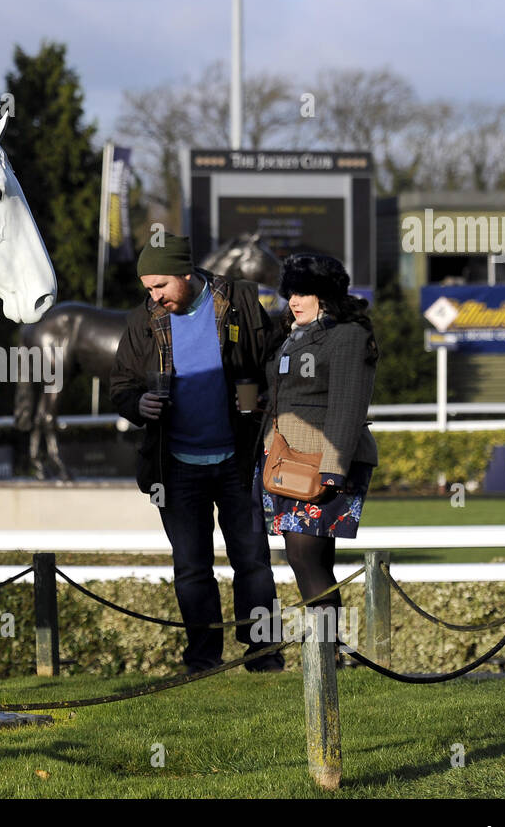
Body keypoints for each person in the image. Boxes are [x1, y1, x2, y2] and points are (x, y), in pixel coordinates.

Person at [110, 234, 284, 674]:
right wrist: (138, 405)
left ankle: (264, 654)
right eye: (148, 288)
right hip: (176, 468)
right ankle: (203, 659)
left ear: (187, 275)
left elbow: (266, 360)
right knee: (191, 569)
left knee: (253, 563)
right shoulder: (142, 321)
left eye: (161, 286)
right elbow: (122, 386)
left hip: (237, 461)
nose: (154, 296)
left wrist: (262, 396)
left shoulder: (240, 300)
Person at [255, 252, 378, 645]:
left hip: (326, 462)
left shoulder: (348, 336)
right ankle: (331, 652)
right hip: (285, 460)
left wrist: (334, 468)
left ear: (325, 295)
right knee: (312, 560)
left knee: (305, 558)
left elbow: (348, 405)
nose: (293, 300)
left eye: (303, 293)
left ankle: (326, 651)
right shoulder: (292, 335)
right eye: (290, 292)